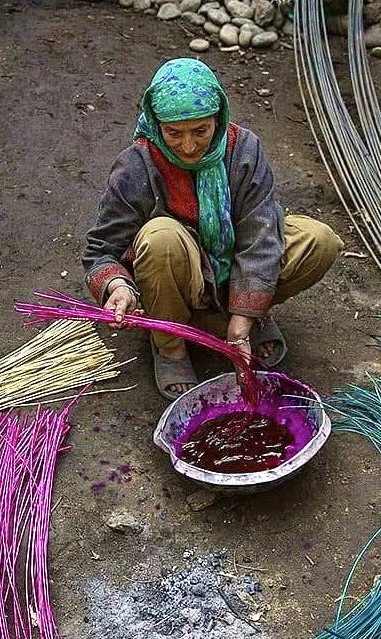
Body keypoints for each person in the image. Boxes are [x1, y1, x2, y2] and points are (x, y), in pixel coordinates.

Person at [82, 58, 343, 400]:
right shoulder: (137, 165)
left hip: (231, 267)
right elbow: (101, 250)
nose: (189, 146)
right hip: (175, 278)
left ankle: (242, 316)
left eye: (201, 131)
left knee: (318, 240)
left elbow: (259, 234)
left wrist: (243, 316)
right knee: (161, 235)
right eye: (174, 133)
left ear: (218, 120)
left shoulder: (244, 150)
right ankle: (170, 344)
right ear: (155, 123)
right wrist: (117, 286)